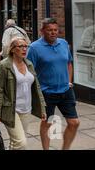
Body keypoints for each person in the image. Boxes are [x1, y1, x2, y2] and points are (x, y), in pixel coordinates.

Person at [26, 18, 80, 150]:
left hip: (66, 91)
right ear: (42, 31)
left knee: (74, 123)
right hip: (46, 92)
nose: (53, 33)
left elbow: (69, 63)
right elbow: (29, 70)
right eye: (49, 30)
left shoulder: (63, 43)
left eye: (55, 30)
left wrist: (69, 81)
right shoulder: (34, 48)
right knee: (47, 123)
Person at [0, 37, 46, 150]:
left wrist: (42, 108)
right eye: (21, 46)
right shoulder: (4, 66)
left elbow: (37, 87)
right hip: (10, 110)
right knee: (21, 143)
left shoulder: (29, 64)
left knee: (16, 143)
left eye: (26, 46)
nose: (24, 49)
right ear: (12, 49)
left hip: (26, 109)